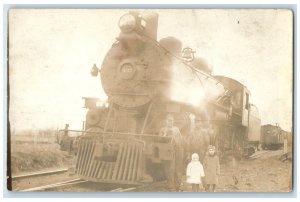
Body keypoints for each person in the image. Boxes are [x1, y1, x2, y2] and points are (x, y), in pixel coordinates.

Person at [159, 114, 184, 191]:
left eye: (172, 120)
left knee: (178, 168)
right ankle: (171, 186)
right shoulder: (162, 129)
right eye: (169, 120)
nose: (170, 122)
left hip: (177, 150)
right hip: (168, 151)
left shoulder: (176, 129)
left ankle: (178, 185)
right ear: (166, 121)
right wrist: (165, 134)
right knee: (169, 168)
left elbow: (180, 139)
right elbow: (160, 139)